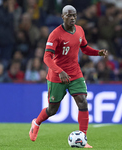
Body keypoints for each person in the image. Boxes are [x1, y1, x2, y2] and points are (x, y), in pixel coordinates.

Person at [29, 5, 108, 148]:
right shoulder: (55, 34)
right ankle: (36, 123)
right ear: (62, 16)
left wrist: (98, 53)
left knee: (82, 101)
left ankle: (83, 138)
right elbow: (46, 58)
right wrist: (59, 71)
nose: (72, 18)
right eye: (69, 15)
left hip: (75, 73)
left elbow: (84, 48)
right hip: (57, 75)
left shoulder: (80, 30)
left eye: (74, 15)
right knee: (52, 110)